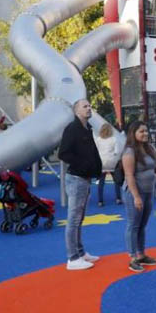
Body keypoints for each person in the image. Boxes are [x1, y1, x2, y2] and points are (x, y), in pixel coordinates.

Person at [58, 99, 103, 271]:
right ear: (77, 111)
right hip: (76, 178)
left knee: (79, 218)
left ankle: (80, 252)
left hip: (84, 178)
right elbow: (63, 153)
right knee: (74, 219)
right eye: (85, 106)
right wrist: (83, 165)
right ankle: (72, 257)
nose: (89, 108)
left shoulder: (87, 128)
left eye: (90, 105)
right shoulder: (72, 128)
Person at [121, 121, 156, 272]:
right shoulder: (129, 152)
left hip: (148, 191)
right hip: (134, 193)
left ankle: (141, 254)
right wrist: (136, 197)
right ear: (134, 134)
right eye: (141, 131)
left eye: (146, 131)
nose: (145, 134)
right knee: (133, 225)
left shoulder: (149, 148)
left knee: (142, 225)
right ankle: (132, 257)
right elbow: (129, 175)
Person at [94, 123, 124, 207]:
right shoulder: (114, 139)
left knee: (101, 182)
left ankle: (100, 201)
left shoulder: (98, 139)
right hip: (112, 162)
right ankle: (118, 198)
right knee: (116, 181)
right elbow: (117, 151)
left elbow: (95, 151)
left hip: (101, 162)